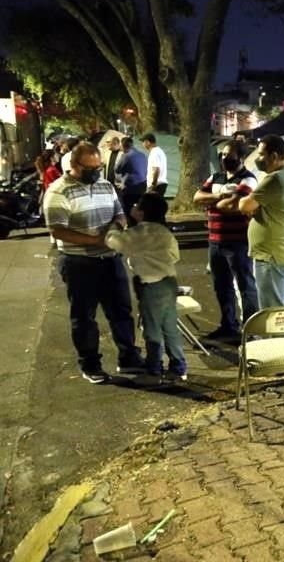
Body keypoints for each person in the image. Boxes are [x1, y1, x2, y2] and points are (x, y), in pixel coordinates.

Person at [43, 142, 145, 384]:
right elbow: (58, 230)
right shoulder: (58, 191)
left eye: (98, 167)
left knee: (121, 311)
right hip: (79, 262)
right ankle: (91, 365)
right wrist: (95, 240)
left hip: (110, 259)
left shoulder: (105, 185)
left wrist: (115, 228)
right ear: (74, 166)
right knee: (84, 317)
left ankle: (128, 357)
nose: (95, 172)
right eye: (89, 168)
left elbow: (120, 213)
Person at [104, 193, 187, 382]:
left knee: (151, 329)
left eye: (137, 204)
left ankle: (154, 370)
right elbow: (175, 256)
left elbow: (113, 241)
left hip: (151, 285)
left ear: (141, 212)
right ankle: (178, 367)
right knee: (170, 327)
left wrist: (115, 226)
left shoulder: (140, 233)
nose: (133, 206)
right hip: (168, 282)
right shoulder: (164, 231)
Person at [221, 135, 284, 309]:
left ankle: (275, 337)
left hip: (271, 254)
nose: (258, 159)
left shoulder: (275, 179)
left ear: (274, 156)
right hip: (281, 251)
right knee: (282, 307)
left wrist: (244, 201)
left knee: (272, 308)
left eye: (262, 154)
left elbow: (244, 205)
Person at [192, 142, 259, 339]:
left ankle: (251, 332)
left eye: (229, 156)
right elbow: (197, 197)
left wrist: (213, 201)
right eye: (222, 155)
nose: (224, 159)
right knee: (222, 286)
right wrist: (220, 195)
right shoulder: (216, 177)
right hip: (215, 241)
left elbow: (233, 205)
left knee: (245, 286)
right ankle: (228, 325)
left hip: (237, 242)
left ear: (241, 158)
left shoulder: (248, 179)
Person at [115, 137, 147, 218]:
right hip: (142, 186)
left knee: (128, 209)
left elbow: (117, 169)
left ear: (122, 145)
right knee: (139, 208)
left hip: (131, 188)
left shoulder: (126, 156)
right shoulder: (143, 155)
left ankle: (131, 226)